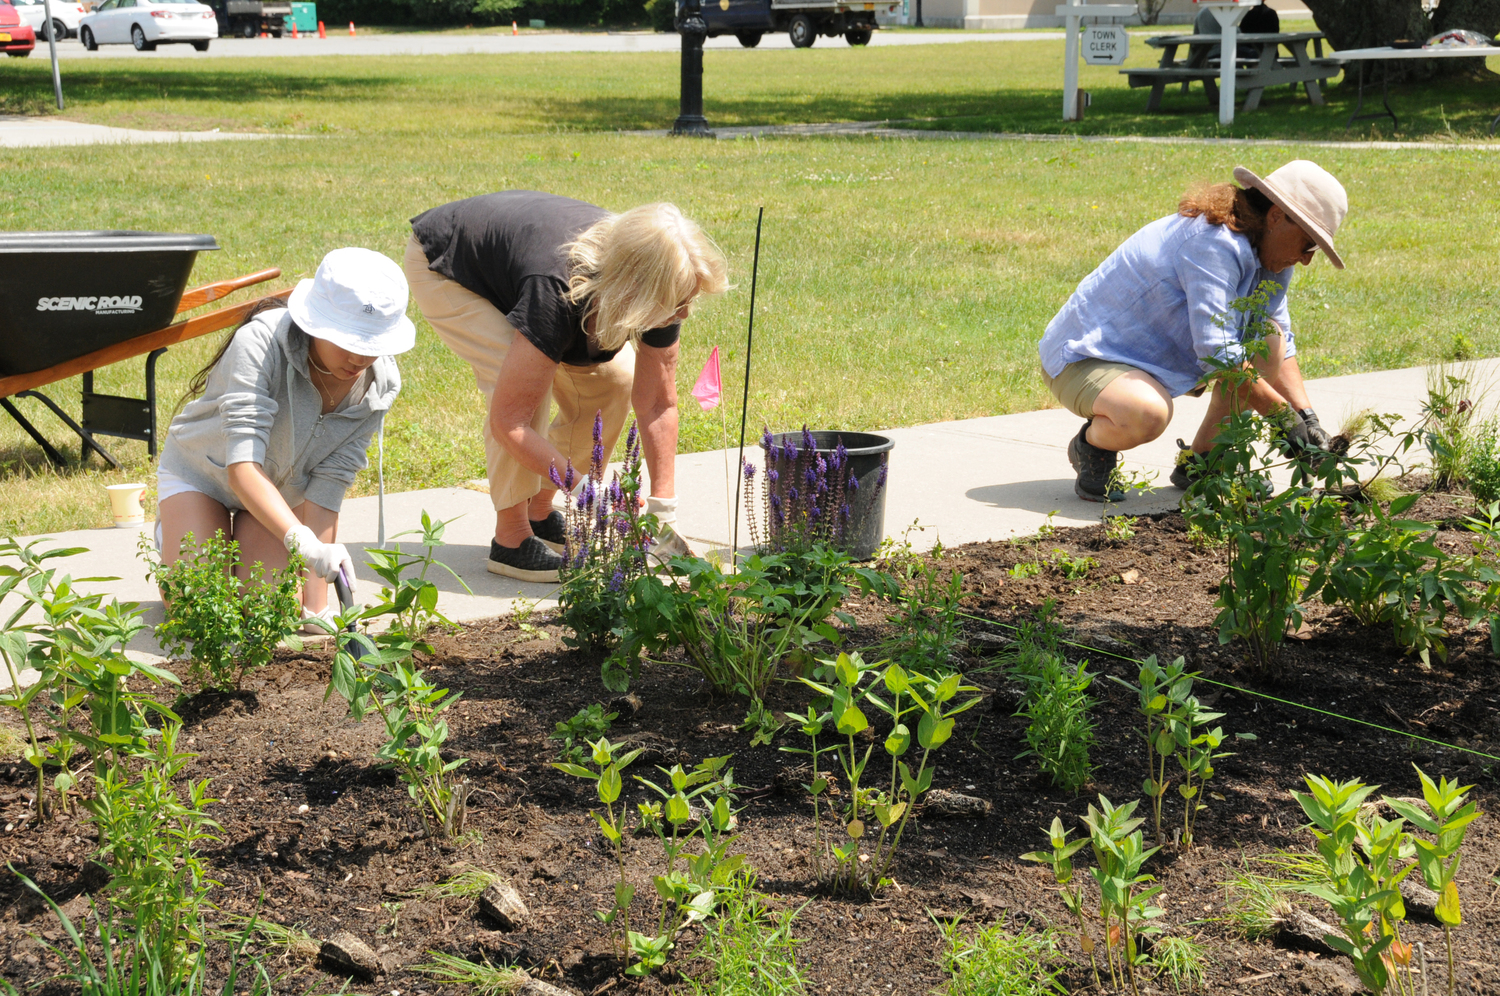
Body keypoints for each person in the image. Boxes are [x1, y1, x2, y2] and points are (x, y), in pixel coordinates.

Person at [404, 191, 728, 583]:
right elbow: (511, 421)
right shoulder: (555, 286)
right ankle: (511, 538)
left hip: (534, 267)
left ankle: (540, 511)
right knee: (523, 391)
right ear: (636, 291)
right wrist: (588, 490)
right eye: (678, 301)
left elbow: (658, 401)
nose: (685, 312)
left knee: (613, 380)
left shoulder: (666, 283)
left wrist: (663, 513)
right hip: (451, 268)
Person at [1038, 160, 1348, 501]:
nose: (1306, 259)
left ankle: (1204, 463)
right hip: (1087, 356)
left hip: (1158, 358)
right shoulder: (1213, 243)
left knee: (1268, 339)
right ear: (1276, 217)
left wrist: (1307, 417)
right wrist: (1283, 419)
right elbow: (1218, 352)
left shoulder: (1271, 258)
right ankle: (1092, 447)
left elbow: (1281, 343)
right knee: (1146, 415)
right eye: (1308, 244)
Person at [157, 247, 413, 625]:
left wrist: (316, 607)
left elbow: (329, 485)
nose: (360, 359)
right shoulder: (259, 344)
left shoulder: (378, 387)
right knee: (200, 611)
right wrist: (303, 544)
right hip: (203, 474)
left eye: (372, 345)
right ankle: (174, 534)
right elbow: (242, 467)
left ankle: (249, 556)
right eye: (349, 342)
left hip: (280, 494)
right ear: (316, 324)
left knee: (267, 613)